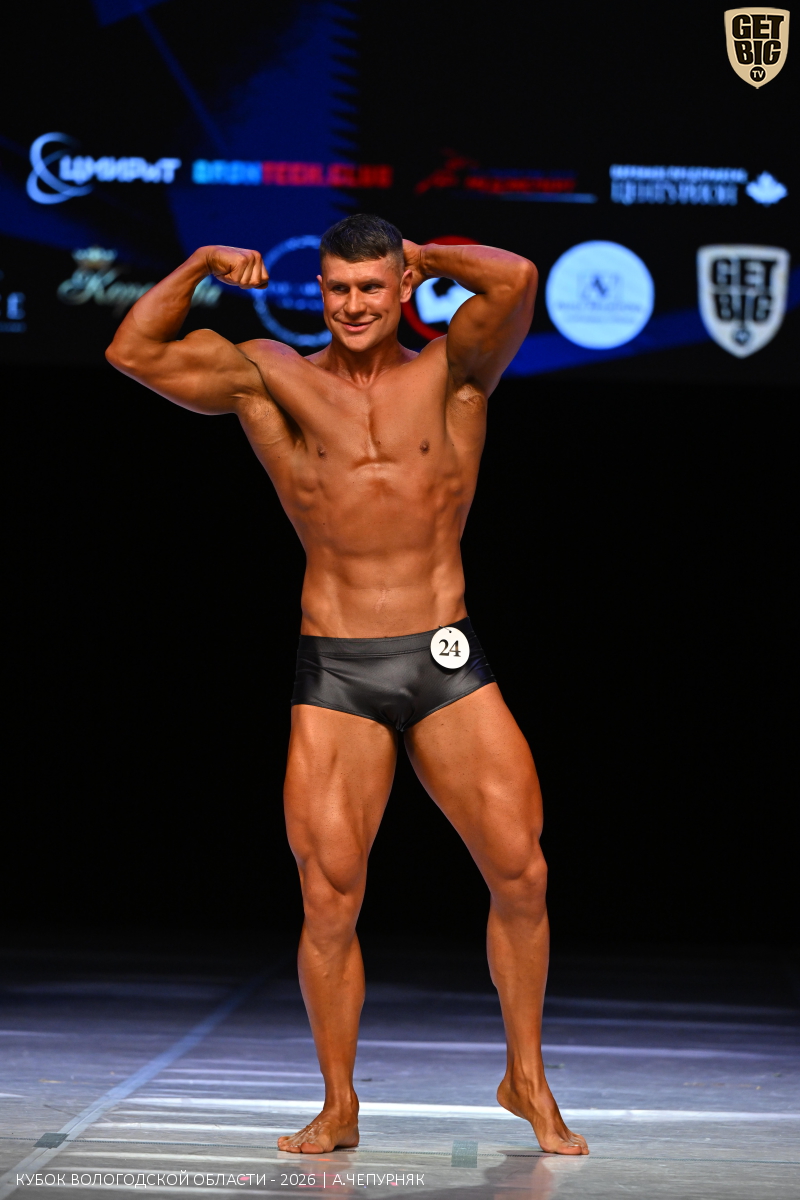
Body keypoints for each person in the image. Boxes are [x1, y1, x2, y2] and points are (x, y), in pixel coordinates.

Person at [106, 214, 588, 1157]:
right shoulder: (270, 375)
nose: (354, 305)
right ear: (317, 289)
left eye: (372, 287)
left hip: (442, 654)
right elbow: (132, 351)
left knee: (521, 870)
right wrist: (200, 262)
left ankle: (525, 1077)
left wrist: (424, 254)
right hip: (337, 668)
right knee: (329, 898)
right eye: (338, 288)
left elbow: (518, 278)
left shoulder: (454, 371)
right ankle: (338, 1104)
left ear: (402, 288)